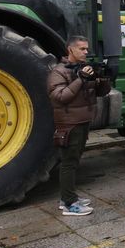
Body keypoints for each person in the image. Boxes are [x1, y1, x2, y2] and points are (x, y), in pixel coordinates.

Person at [48, 36, 111, 216]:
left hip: (83, 121)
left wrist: (103, 79)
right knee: (68, 163)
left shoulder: (83, 69)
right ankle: (69, 204)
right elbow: (60, 97)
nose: (86, 52)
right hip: (69, 124)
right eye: (82, 49)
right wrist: (81, 79)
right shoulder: (58, 72)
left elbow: (100, 93)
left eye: (86, 49)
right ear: (70, 49)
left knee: (74, 161)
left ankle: (68, 197)